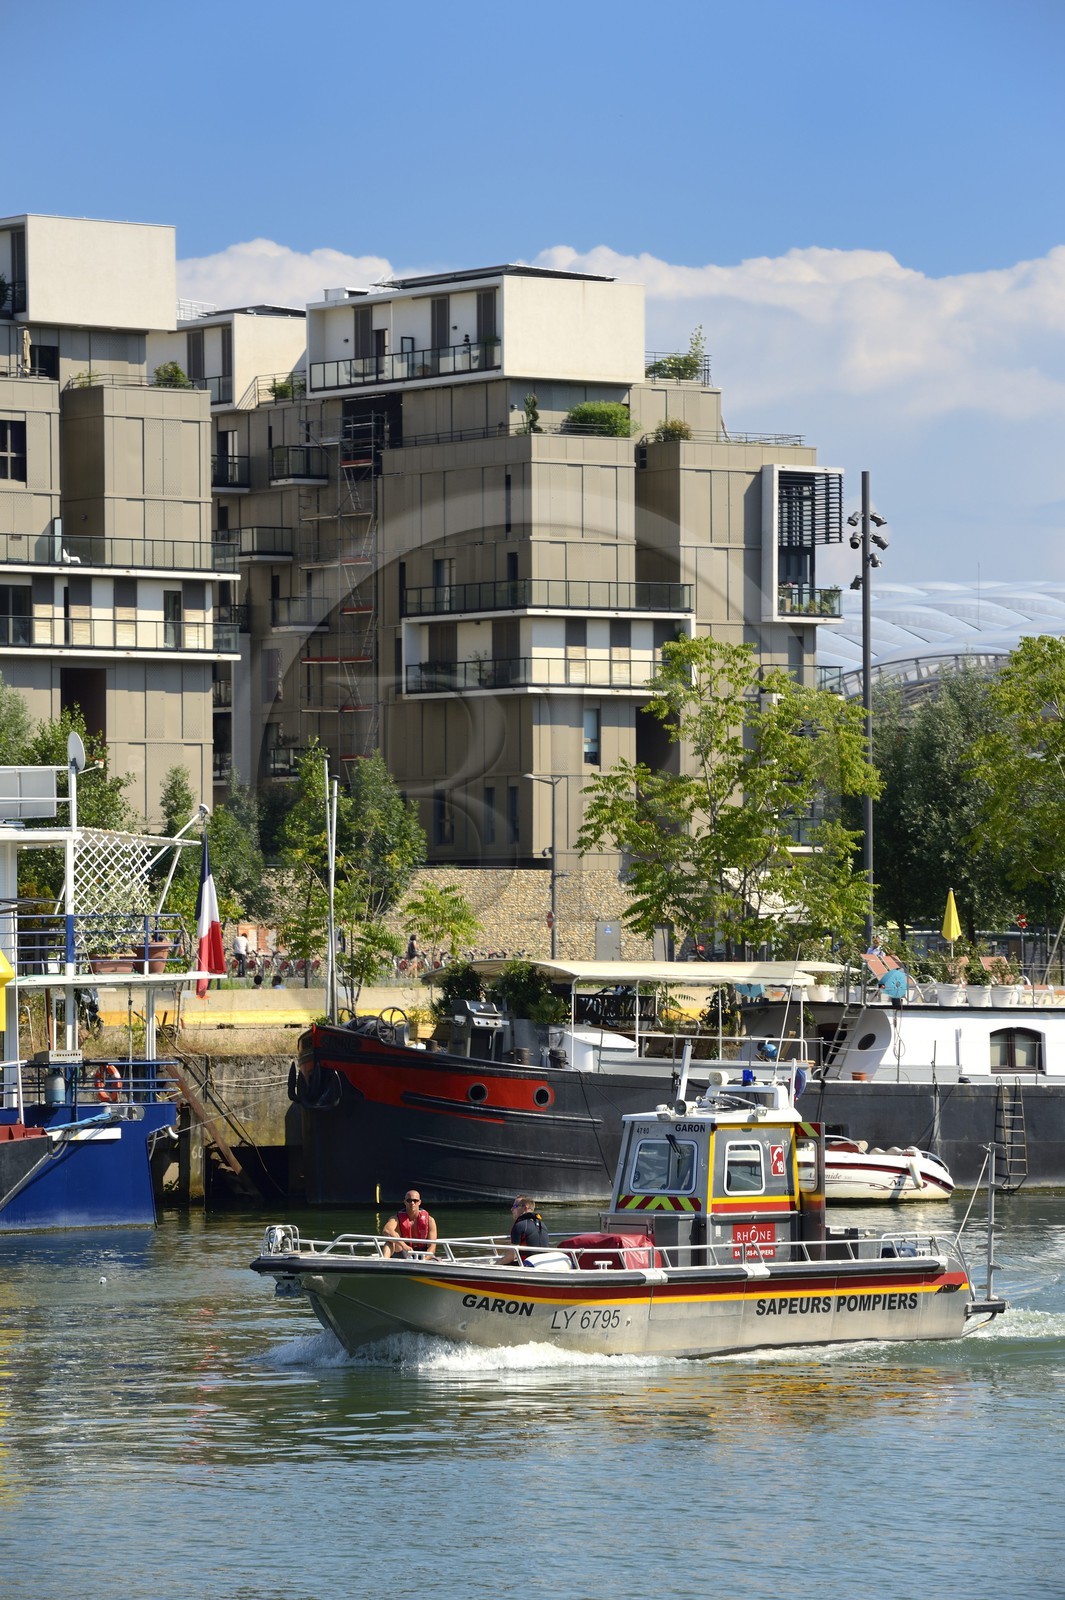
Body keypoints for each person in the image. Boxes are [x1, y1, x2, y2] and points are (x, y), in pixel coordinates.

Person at [382, 1190, 437, 1259]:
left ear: (419, 1202)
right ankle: (384, 1262)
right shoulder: (396, 1218)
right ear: (405, 1202)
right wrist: (404, 1245)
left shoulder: (430, 1220)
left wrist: (424, 1260)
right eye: (409, 1200)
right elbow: (386, 1230)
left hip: (423, 1255)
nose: (412, 1203)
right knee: (390, 1241)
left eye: (415, 1201)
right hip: (403, 1251)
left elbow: (432, 1247)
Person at [501, 1197, 550, 1264]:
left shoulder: (520, 1226)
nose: (511, 1209)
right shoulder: (543, 1225)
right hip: (542, 1264)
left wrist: (496, 1264)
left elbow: (511, 1256)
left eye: (515, 1206)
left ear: (525, 1208)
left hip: (527, 1266)